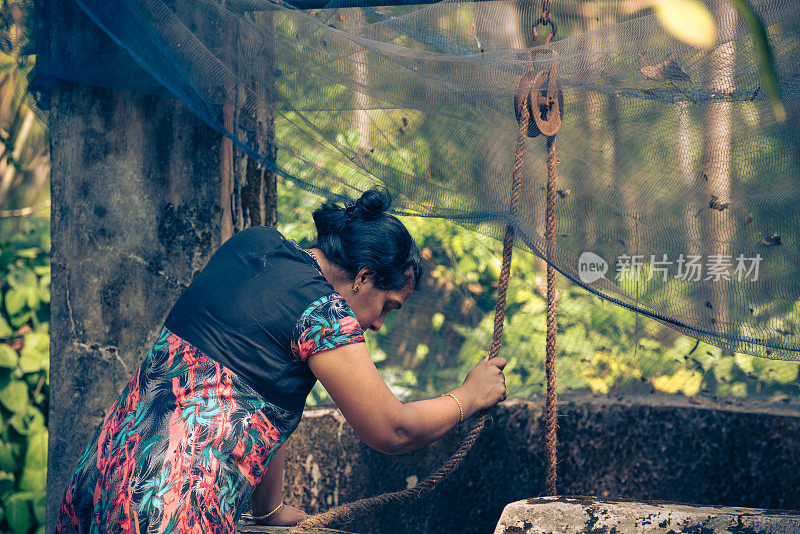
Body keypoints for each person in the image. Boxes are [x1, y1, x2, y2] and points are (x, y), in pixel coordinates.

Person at [56, 188, 507, 533]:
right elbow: (393, 429)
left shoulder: (253, 246)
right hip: (169, 509)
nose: (379, 325)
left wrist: (268, 510)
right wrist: (469, 395)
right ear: (364, 276)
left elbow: (264, 394)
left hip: (94, 487)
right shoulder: (323, 315)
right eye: (388, 305)